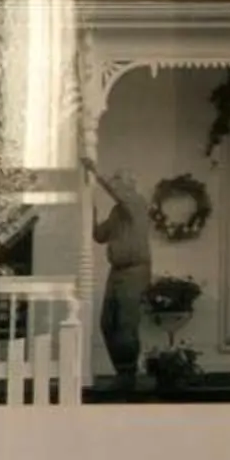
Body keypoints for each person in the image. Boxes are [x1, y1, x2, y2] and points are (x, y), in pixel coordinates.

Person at [84, 157, 153, 396]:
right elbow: (100, 236)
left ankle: (128, 376)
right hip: (117, 272)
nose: (113, 182)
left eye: (117, 178)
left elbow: (117, 194)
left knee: (125, 324)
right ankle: (122, 373)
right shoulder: (117, 211)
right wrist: (89, 211)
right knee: (107, 323)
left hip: (135, 271)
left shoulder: (136, 203)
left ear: (129, 184)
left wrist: (94, 171)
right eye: (113, 178)